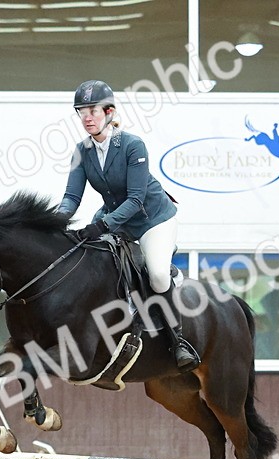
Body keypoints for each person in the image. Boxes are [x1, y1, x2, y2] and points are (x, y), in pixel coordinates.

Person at [57, 79, 200, 371]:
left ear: (109, 112)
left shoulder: (133, 145)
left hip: (152, 219)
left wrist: (102, 225)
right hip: (114, 218)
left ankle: (178, 341)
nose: (86, 117)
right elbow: (72, 197)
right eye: (81, 111)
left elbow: (135, 200)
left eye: (93, 110)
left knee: (158, 275)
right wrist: (55, 222)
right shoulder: (81, 151)